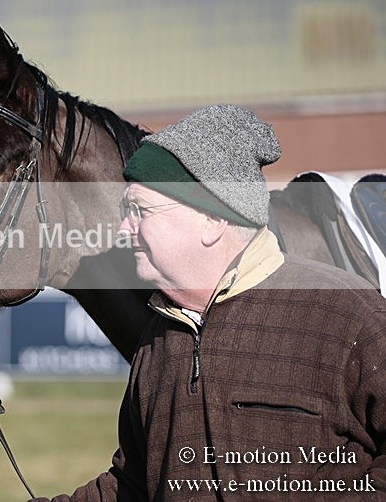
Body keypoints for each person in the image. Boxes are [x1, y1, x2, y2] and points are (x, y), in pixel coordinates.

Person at [35, 104, 386, 500]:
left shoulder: (348, 314)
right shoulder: (159, 340)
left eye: (140, 211)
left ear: (211, 219)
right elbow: (134, 484)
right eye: (125, 210)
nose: (123, 227)